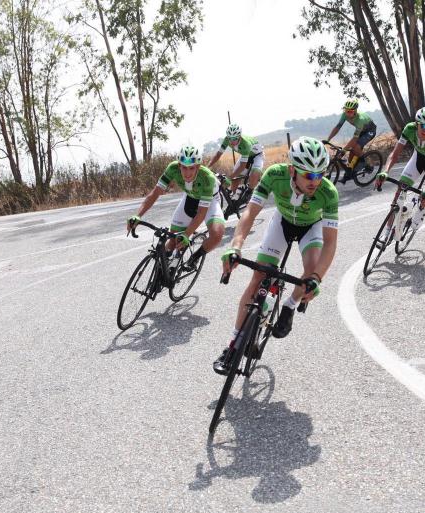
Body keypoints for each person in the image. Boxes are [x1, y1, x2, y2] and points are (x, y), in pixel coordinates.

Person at [213, 137, 338, 375]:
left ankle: (290, 306)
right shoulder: (274, 175)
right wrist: (235, 246)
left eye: (320, 174)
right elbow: (250, 212)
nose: (316, 181)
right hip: (282, 222)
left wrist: (317, 279)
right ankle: (232, 346)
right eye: (309, 175)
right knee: (258, 277)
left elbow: (330, 243)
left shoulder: (328, 193)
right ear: (292, 170)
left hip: (310, 228)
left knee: (311, 271)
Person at [126, 145, 224, 268]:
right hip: (189, 198)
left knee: (217, 234)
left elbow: (201, 213)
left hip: (210, 201)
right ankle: (162, 271)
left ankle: (195, 258)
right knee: (173, 239)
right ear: (179, 165)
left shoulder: (207, 178)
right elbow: (155, 193)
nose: (187, 173)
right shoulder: (172, 169)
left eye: (191, 168)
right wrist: (138, 215)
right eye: (184, 167)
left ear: (198, 167)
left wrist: (187, 234)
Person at [374, 107, 425, 238]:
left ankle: (421, 209)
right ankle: (388, 230)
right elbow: (394, 155)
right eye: (423, 125)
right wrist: (385, 172)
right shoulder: (409, 129)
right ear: (417, 124)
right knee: (400, 189)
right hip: (419, 157)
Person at [324, 98, 377, 180]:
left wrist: (344, 150)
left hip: (370, 131)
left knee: (356, 148)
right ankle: (351, 170)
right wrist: (328, 139)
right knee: (351, 153)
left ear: (355, 111)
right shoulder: (344, 115)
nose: (347, 113)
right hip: (361, 131)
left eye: (350, 111)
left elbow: (355, 139)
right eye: (346, 110)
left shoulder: (360, 119)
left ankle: (365, 164)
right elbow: (338, 127)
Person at [207, 123, 264, 199]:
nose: (232, 141)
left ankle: (249, 192)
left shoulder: (245, 144)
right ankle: (233, 200)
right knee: (235, 179)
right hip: (245, 155)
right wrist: (207, 167)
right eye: (230, 138)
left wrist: (229, 178)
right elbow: (218, 155)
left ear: (239, 136)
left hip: (257, 155)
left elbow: (242, 166)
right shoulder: (227, 139)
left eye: (234, 138)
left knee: (254, 174)